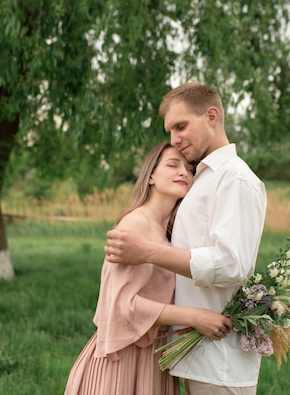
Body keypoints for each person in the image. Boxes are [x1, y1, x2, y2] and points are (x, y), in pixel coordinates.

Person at [105, 82, 267, 395]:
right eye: (169, 132)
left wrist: (148, 251)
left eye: (181, 127)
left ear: (212, 116)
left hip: (220, 361)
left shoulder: (235, 178)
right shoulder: (202, 177)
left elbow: (232, 264)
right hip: (192, 355)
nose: (174, 140)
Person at [65, 141, 233, 395]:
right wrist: (194, 317)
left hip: (153, 358)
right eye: (172, 165)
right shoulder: (135, 224)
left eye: (189, 169)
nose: (183, 173)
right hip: (122, 358)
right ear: (151, 176)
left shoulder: (170, 233)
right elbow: (120, 305)